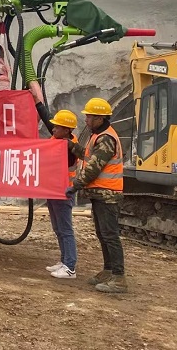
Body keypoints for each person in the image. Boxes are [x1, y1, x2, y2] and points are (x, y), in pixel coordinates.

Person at [67, 97, 128, 294]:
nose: (86, 120)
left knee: (110, 235)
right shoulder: (98, 136)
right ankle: (109, 270)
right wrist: (71, 146)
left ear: (99, 118)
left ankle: (119, 278)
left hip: (108, 194)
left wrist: (76, 185)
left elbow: (94, 166)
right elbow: (87, 156)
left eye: (89, 117)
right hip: (100, 193)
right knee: (103, 234)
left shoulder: (106, 139)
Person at [45, 109, 82, 280]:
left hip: (63, 191)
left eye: (57, 127)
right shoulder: (60, 141)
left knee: (65, 230)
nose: (53, 129)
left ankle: (70, 267)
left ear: (67, 130)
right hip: (53, 190)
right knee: (58, 228)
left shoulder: (68, 147)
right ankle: (64, 261)